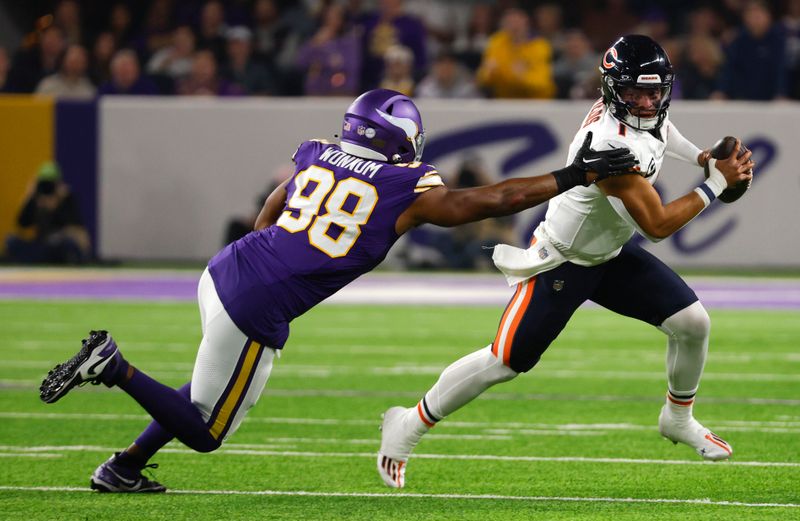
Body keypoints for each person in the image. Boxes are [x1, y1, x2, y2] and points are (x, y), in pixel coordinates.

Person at [39, 88, 636, 493]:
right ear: (396, 137)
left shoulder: (315, 154)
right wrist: (579, 174)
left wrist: (287, 263)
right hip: (257, 301)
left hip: (226, 271)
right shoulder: (405, 184)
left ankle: (123, 468)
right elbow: (495, 200)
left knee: (206, 386)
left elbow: (264, 219)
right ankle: (112, 366)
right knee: (207, 431)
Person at [376, 35, 755, 489]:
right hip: (563, 261)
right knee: (505, 361)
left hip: (609, 252)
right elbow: (657, 225)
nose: (648, 101)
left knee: (694, 323)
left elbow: (663, 130)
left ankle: (677, 417)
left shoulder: (639, 111)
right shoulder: (612, 145)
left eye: (655, 91)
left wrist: (701, 158)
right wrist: (713, 183)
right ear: (614, 89)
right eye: (636, 91)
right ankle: (408, 424)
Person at [5, 162, 91, 264]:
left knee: (69, 244)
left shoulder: (66, 198)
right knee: (11, 240)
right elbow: (22, 223)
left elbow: (76, 226)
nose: (47, 188)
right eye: (44, 184)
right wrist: (29, 197)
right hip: (40, 245)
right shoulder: (36, 198)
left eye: (50, 184)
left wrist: (58, 204)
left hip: (58, 246)